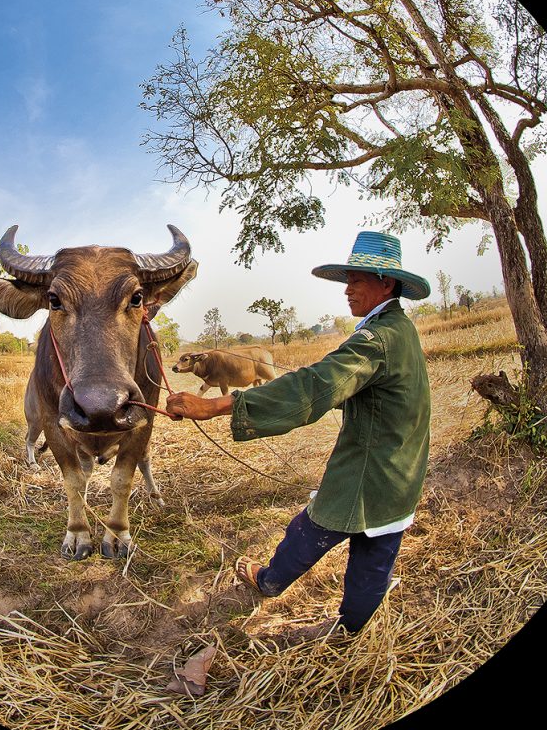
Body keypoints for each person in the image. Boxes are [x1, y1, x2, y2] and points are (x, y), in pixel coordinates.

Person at [166, 231, 431, 639]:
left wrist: (220, 405)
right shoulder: (400, 330)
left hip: (367, 469)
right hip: (402, 471)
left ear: (386, 283)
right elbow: (349, 386)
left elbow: (314, 387)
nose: (348, 290)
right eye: (347, 280)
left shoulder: (376, 338)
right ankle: (353, 630)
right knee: (376, 554)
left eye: (357, 280)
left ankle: (270, 580)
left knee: (310, 529)